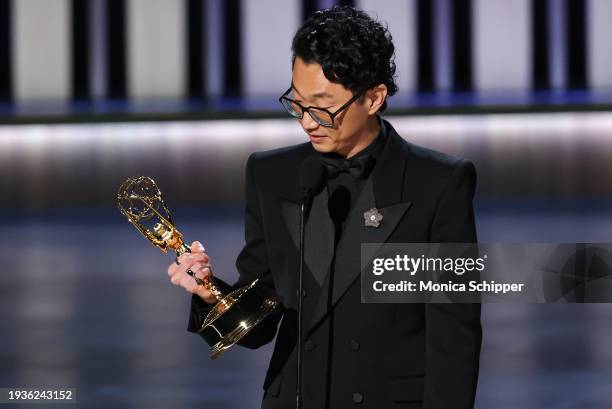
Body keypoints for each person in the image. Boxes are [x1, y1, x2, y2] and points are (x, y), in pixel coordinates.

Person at [167, 6, 481, 409]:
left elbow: (454, 336)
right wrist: (211, 293)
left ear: (374, 97)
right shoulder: (272, 174)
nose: (307, 122)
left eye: (322, 106)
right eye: (296, 103)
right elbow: (261, 323)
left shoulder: (438, 183)